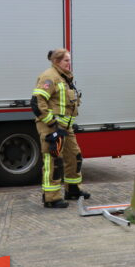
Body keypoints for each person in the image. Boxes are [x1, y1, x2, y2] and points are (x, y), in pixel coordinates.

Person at [31, 48, 88, 208]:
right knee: (53, 161)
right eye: (66, 60)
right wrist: (52, 124)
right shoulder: (49, 77)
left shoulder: (64, 77)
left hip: (65, 127)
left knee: (74, 156)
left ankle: (73, 189)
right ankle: (51, 198)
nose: (69, 63)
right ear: (57, 62)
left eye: (69, 60)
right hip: (52, 127)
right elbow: (37, 102)